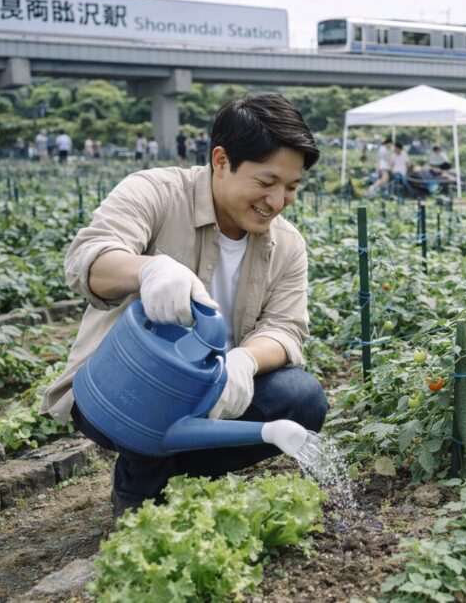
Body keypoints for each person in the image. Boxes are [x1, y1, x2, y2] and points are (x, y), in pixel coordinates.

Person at [40, 94, 329, 520]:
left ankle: (173, 475)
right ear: (220, 160)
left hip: (213, 390)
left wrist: (244, 362)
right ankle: (139, 487)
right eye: (266, 183)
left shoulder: (286, 243)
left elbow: (286, 328)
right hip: (119, 388)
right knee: (163, 390)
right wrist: (148, 271)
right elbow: (90, 258)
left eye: (291, 187)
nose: (277, 200)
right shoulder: (155, 192)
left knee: (302, 399)